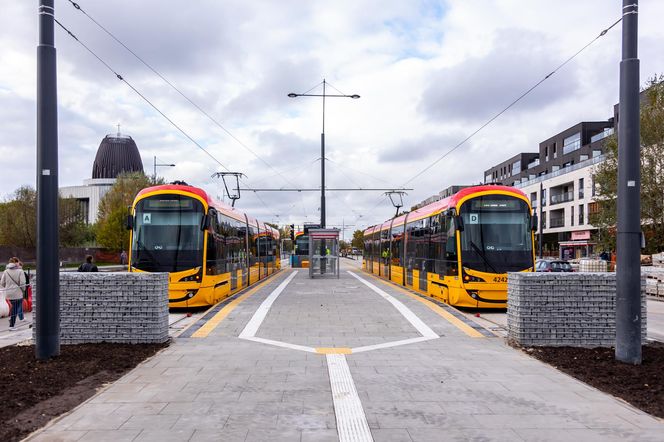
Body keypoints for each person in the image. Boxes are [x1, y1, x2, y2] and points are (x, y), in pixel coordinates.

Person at [1, 257, 26, 330]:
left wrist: (8, 287)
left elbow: (2, 283)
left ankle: (12, 320)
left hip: (9, 293)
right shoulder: (20, 271)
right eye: (18, 262)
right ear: (16, 262)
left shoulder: (6, 271)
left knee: (13, 308)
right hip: (17, 293)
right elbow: (22, 283)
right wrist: (23, 290)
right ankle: (12, 325)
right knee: (15, 309)